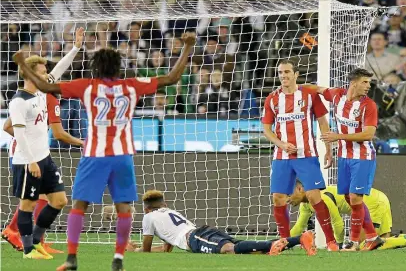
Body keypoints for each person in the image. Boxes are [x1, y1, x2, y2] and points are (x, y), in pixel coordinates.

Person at [13, 32, 197, 271]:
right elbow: (172, 78)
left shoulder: (87, 86)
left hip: (94, 155)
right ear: (118, 67)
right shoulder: (131, 86)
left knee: (79, 205)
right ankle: (119, 258)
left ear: (95, 67)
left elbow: (45, 85)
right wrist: (188, 47)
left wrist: (21, 64)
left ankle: (71, 258)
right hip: (122, 155)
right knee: (124, 208)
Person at [4, 28, 85, 259]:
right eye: (43, 70)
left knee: (59, 200)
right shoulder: (19, 101)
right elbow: (17, 133)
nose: (48, 73)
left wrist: (76, 47)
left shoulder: (41, 91)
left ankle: (37, 241)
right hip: (27, 160)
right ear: (31, 74)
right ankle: (28, 250)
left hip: (44, 158)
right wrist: (30, 160)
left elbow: (60, 69)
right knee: (27, 204)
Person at [261, 59, 337, 251]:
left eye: (287, 72)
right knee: (278, 198)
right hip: (282, 156)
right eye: (280, 73)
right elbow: (267, 130)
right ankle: (284, 241)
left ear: (296, 75)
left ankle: (330, 241)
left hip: (307, 154)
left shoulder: (310, 95)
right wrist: (281, 144)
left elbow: (322, 122)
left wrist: (328, 148)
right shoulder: (272, 99)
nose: (283, 76)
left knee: (313, 196)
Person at [303, 68, 381, 251]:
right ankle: (373, 237)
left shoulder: (369, 105)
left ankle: (353, 243)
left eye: (369, 82)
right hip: (344, 157)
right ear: (353, 83)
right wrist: (292, 87)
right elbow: (317, 89)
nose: (368, 86)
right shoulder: (337, 96)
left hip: (363, 157)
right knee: (350, 198)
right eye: (365, 82)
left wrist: (338, 137)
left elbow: (369, 134)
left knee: (355, 198)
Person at [125, 190, 317, 256]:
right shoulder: (170, 211)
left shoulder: (148, 217)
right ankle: (300, 238)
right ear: (164, 204)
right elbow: (168, 247)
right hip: (200, 232)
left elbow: (147, 248)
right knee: (244, 249)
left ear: (146, 208)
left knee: (230, 250)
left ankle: (274, 244)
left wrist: (135, 250)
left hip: (194, 239)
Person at [289, 181, 406, 250]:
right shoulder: (306, 204)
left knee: (363, 246)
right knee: (382, 244)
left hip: (371, 203)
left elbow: (337, 223)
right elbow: (299, 226)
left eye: (288, 194)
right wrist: (284, 242)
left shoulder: (322, 197)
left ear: (300, 188)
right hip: (377, 199)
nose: (287, 200)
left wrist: (340, 245)